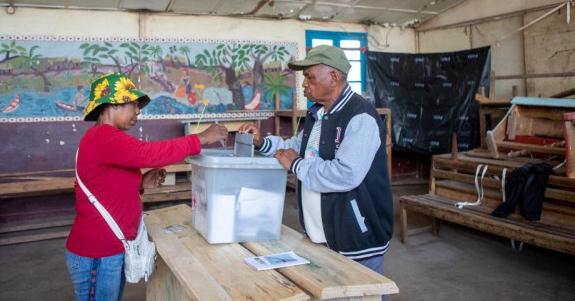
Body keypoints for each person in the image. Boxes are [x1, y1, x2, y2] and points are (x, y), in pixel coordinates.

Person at [66, 72, 227, 300]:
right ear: (113, 104)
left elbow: (106, 186)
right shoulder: (103, 136)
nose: (138, 111)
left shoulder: (106, 138)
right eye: (133, 104)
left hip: (108, 250)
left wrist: (141, 183)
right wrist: (198, 139)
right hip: (97, 252)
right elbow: (148, 154)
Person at [238, 45, 393, 275]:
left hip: (357, 238)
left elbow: (346, 174)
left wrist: (297, 165)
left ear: (333, 78)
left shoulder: (360, 117)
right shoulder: (317, 114)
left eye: (309, 77)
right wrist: (262, 142)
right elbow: (296, 148)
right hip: (323, 236)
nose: (303, 84)